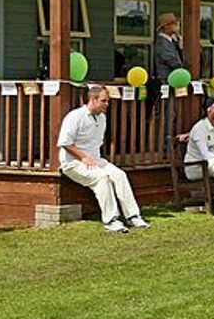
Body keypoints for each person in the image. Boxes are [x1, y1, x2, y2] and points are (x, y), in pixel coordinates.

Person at [57, 85, 148, 233]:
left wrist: (94, 159)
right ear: (93, 99)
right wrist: (84, 157)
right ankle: (111, 220)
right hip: (73, 163)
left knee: (120, 175)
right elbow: (65, 142)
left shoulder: (102, 118)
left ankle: (133, 216)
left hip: (95, 160)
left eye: (108, 101)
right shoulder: (75, 116)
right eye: (103, 101)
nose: (107, 104)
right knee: (102, 178)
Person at [151, 13, 185, 83]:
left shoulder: (172, 41)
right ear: (166, 26)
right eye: (174, 24)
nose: (177, 27)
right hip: (166, 81)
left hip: (172, 79)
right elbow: (174, 63)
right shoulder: (162, 43)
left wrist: (179, 38)